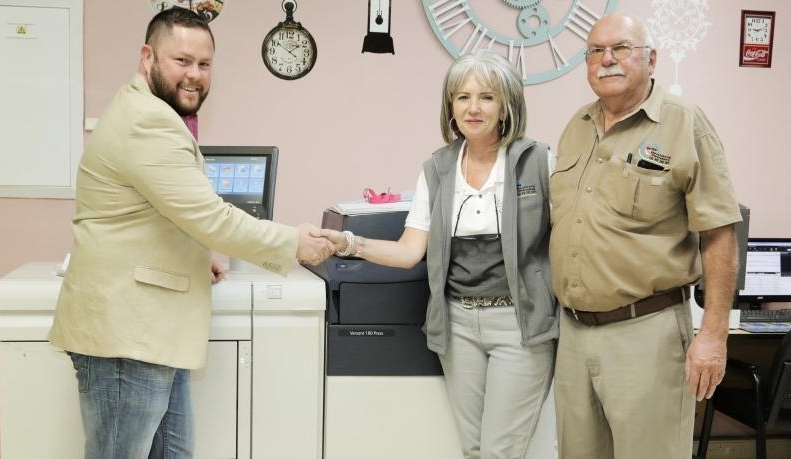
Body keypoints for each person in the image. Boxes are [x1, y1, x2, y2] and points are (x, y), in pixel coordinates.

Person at [48, 8, 333, 459]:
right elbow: (210, 216)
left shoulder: (148, 110)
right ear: (148, 57)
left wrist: (199, 254)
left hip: (155, 332)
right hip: (129, 335)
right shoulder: (148, 121)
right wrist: (292, 242)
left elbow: (162, 214)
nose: (195, 75)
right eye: (181, 61)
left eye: (204, 64)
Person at [315, 50, 557, 459]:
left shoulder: (538, 161)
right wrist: (349, 243)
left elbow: (569, 239)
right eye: (462, 97)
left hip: (520, 325)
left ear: (506, 105)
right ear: (450, 107)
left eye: (486, 97)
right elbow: (410, 250)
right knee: (475, 448)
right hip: (458, 325)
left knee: (501, 450)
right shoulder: (438, 169)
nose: (473, 108)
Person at [550, 13, 741, 459]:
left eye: (620, 49)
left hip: (645, 334)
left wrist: (713, 336)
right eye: (595, 51)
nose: (607, 60)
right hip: (574, 335)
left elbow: (719, 233)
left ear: (651, 59)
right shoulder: (578, 125)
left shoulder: (684, 123)